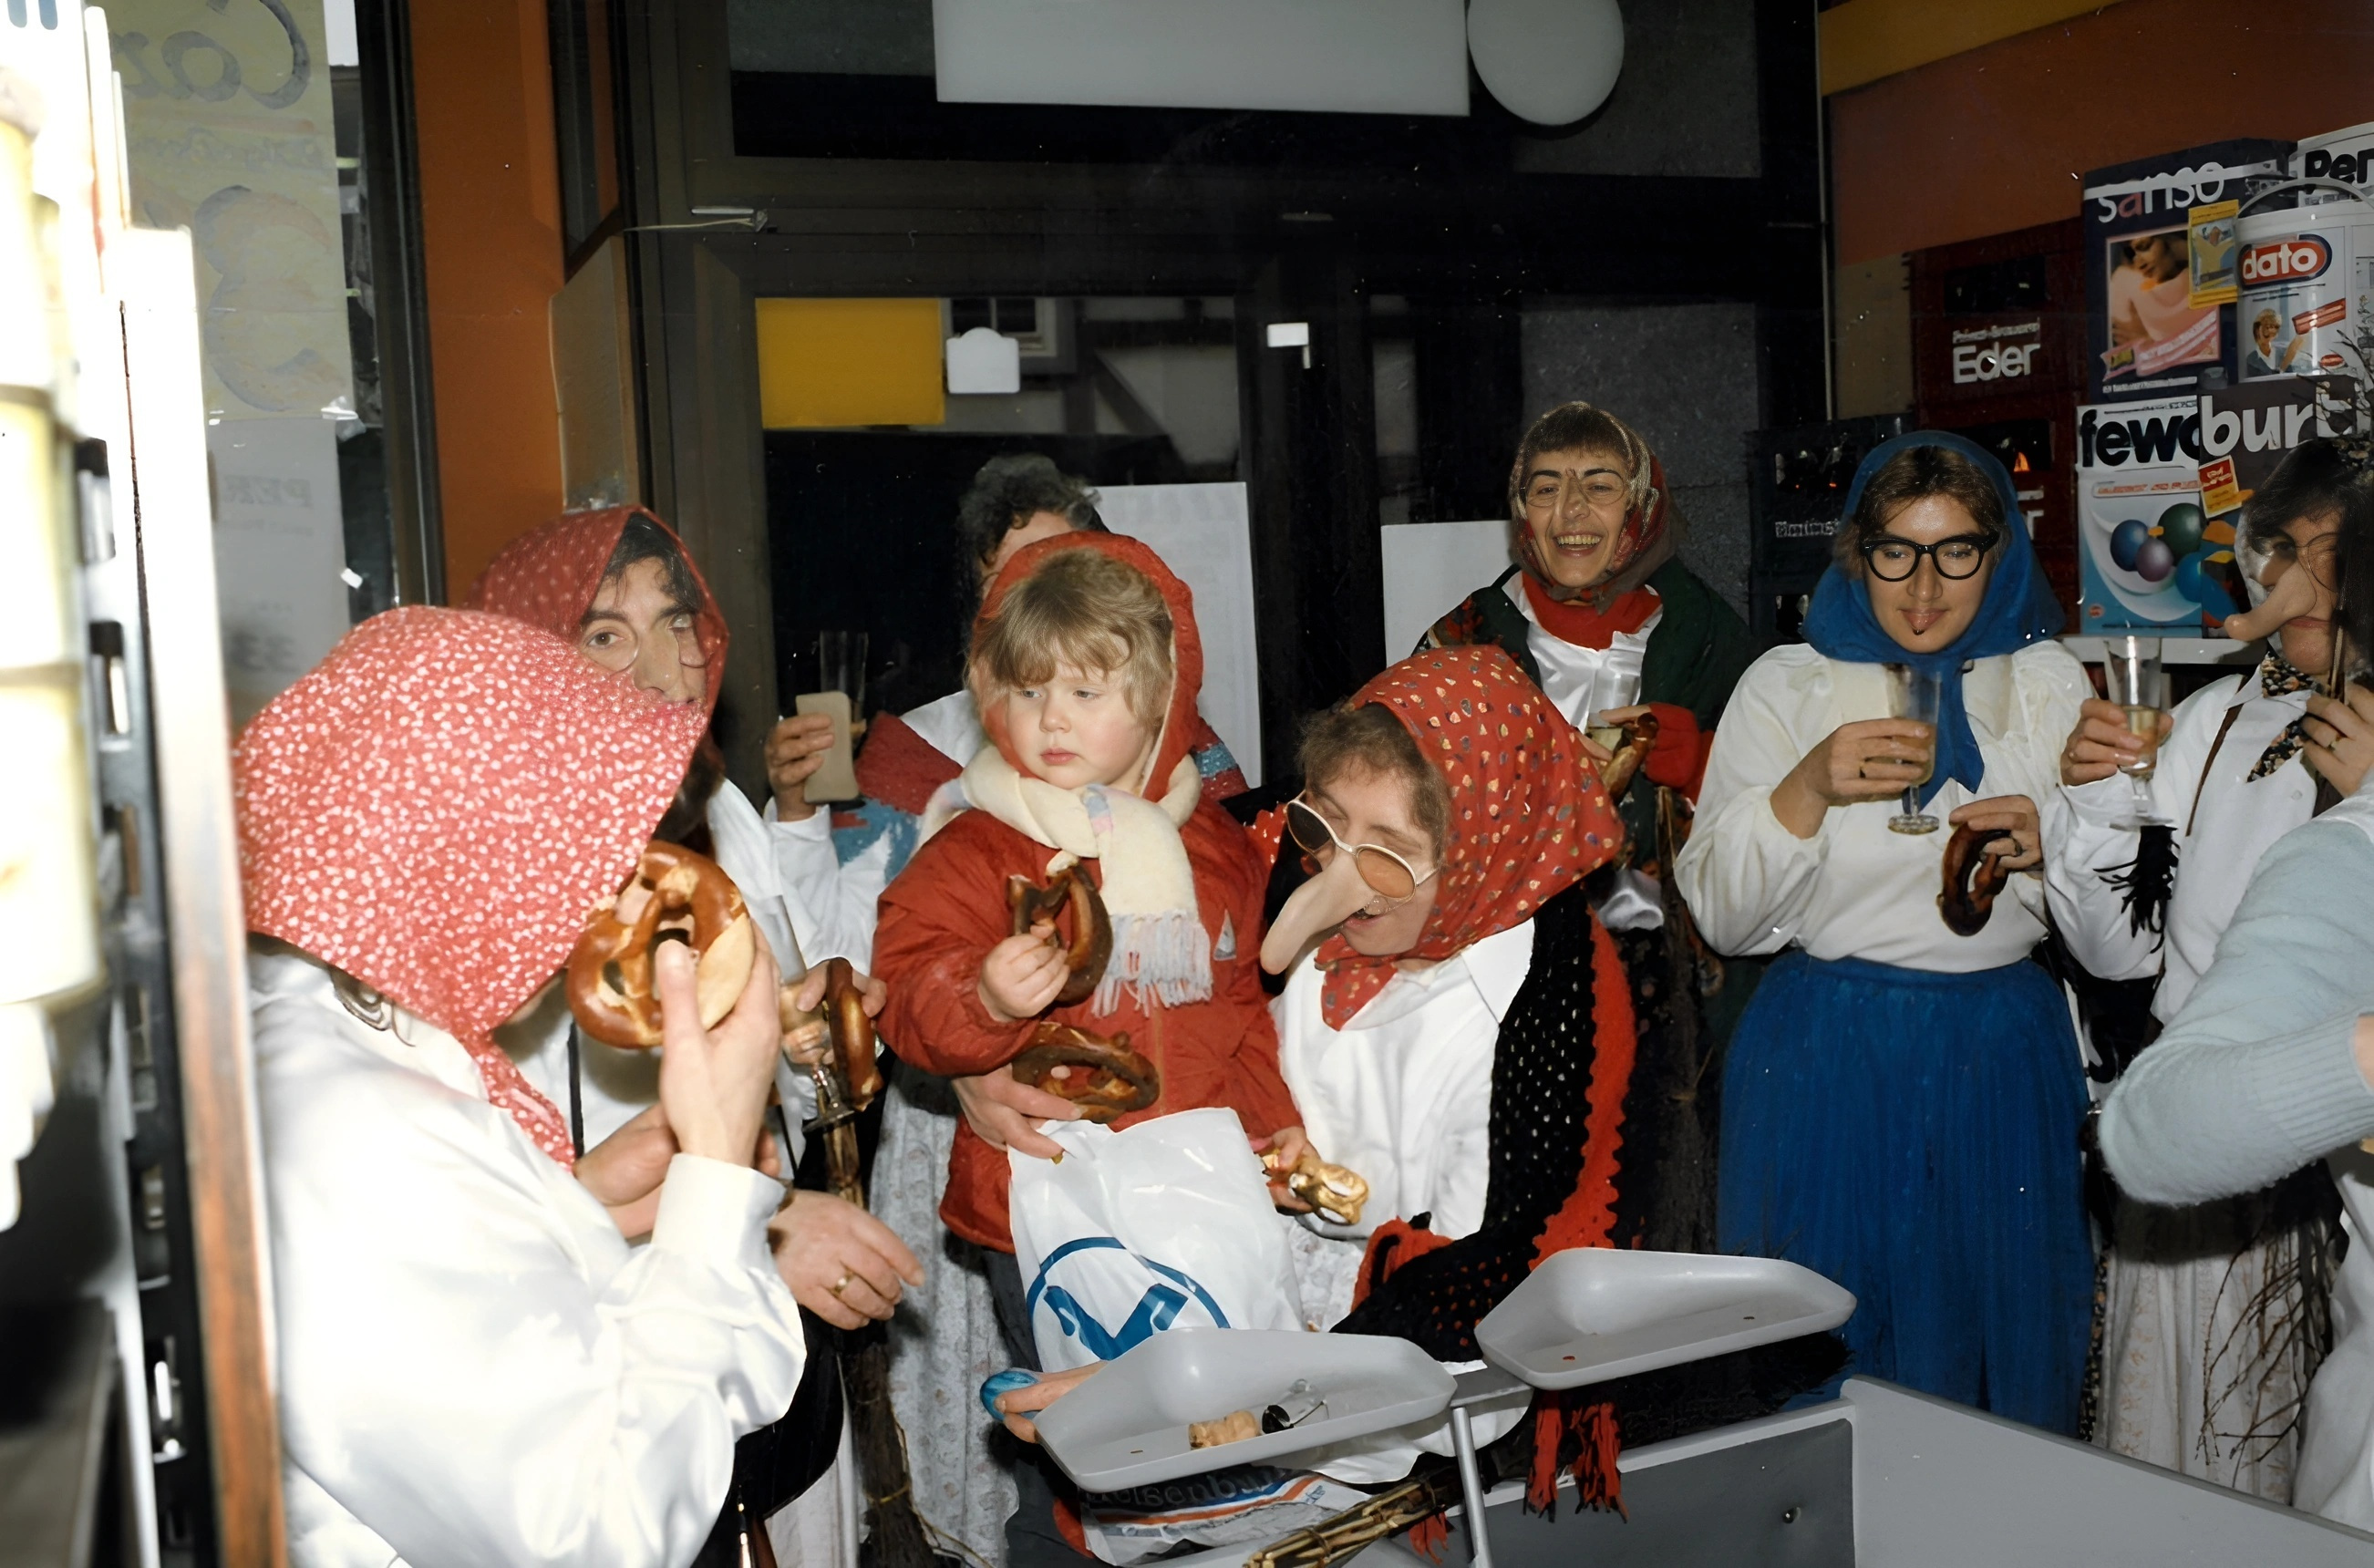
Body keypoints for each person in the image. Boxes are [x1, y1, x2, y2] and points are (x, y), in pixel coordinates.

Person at [240, 607, 807, 1567]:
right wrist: (713, 1172)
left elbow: (484, 1345)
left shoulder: (358, 1037)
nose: (610, 902)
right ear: (464, 845)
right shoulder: (353, 1135)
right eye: (583, 851)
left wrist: (568, 1207)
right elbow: (605, 1530)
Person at [465, 507, 917, 1567]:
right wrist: (753, 1227)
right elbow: (501, 1217)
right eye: (606, 633)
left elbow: (780, 1094)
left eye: (677, 625)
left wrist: (806, 1044)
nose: (668, 672)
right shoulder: (498, 901)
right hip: (607, 1393)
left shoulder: (725, 822)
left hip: (770, 1362)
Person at [843, 456, 1251, 1560]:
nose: (1051, 720)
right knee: (1075, 1463)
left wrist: (1271, 1132)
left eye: (1085, 692)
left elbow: (1241, 1011)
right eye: (1026, 691)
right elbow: (908, 984)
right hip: (1050, 1207)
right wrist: (978, 997)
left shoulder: (1207, 841)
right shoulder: (977, 838)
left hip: (1189, 1201)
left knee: (1211, 1450)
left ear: (1161, 700)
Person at [1675, 431, 2093, 1434]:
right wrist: (1804, 788)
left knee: (1995, 1337)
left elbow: (2107, 913)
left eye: (1957, 551)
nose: (1923, 586)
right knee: (1832, 1350)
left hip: (2000, 1048)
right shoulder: (1786, 683)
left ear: (2000, 556)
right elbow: (1724, 916)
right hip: (1828, 1052)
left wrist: (2060, 845)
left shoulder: (2050, 686)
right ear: (1855, 553)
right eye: (1896, 550)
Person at [2044, 439, 2370, 1495]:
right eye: (2284, 552)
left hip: (2347, 1190)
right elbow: (2115, 950)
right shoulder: (2215, 719)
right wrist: (2093, 802)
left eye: (2337, 553)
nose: (2308, 582)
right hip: (2219, 1166)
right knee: (2196, 1474)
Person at [1419, 401, 1760, 1251]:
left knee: (1667, 1211)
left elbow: (1784, 792)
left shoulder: (1710, 636)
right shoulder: (1462, 641)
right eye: (1547, 488)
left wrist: (1694, 756)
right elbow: (1397, 797)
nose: (1571, 515)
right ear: (1518, 512)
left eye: (1598, 487)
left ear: (1640, 506)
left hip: (1674, 994)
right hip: (1507, 989)